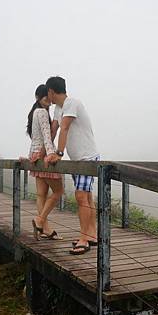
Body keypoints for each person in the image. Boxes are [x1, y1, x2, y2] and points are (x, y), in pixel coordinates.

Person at [45, 76, 100, 255]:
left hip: (87, 157)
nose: (48, 97)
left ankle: (84, 238)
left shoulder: (72, 103)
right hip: (77, 159)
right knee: (87, 197)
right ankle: (91, 235)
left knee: (81, 197)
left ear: (52, 91)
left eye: (48, 93)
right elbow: (54, 130)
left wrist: (58, 154)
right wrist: (45, 151)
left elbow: (65, 128)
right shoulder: (59, 109)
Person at [26, 84, 64, 240]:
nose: (48, 100)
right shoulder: (42, 113)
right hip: (43, 156)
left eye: (49, 97)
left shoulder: (34, 112)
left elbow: (36, 137)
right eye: (45, 97)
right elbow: (47, 137)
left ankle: (45, 230)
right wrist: (50, 155)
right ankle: (40, 220)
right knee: (58, 191)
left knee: (41, 194)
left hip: (35, 155)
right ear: (38, 97)